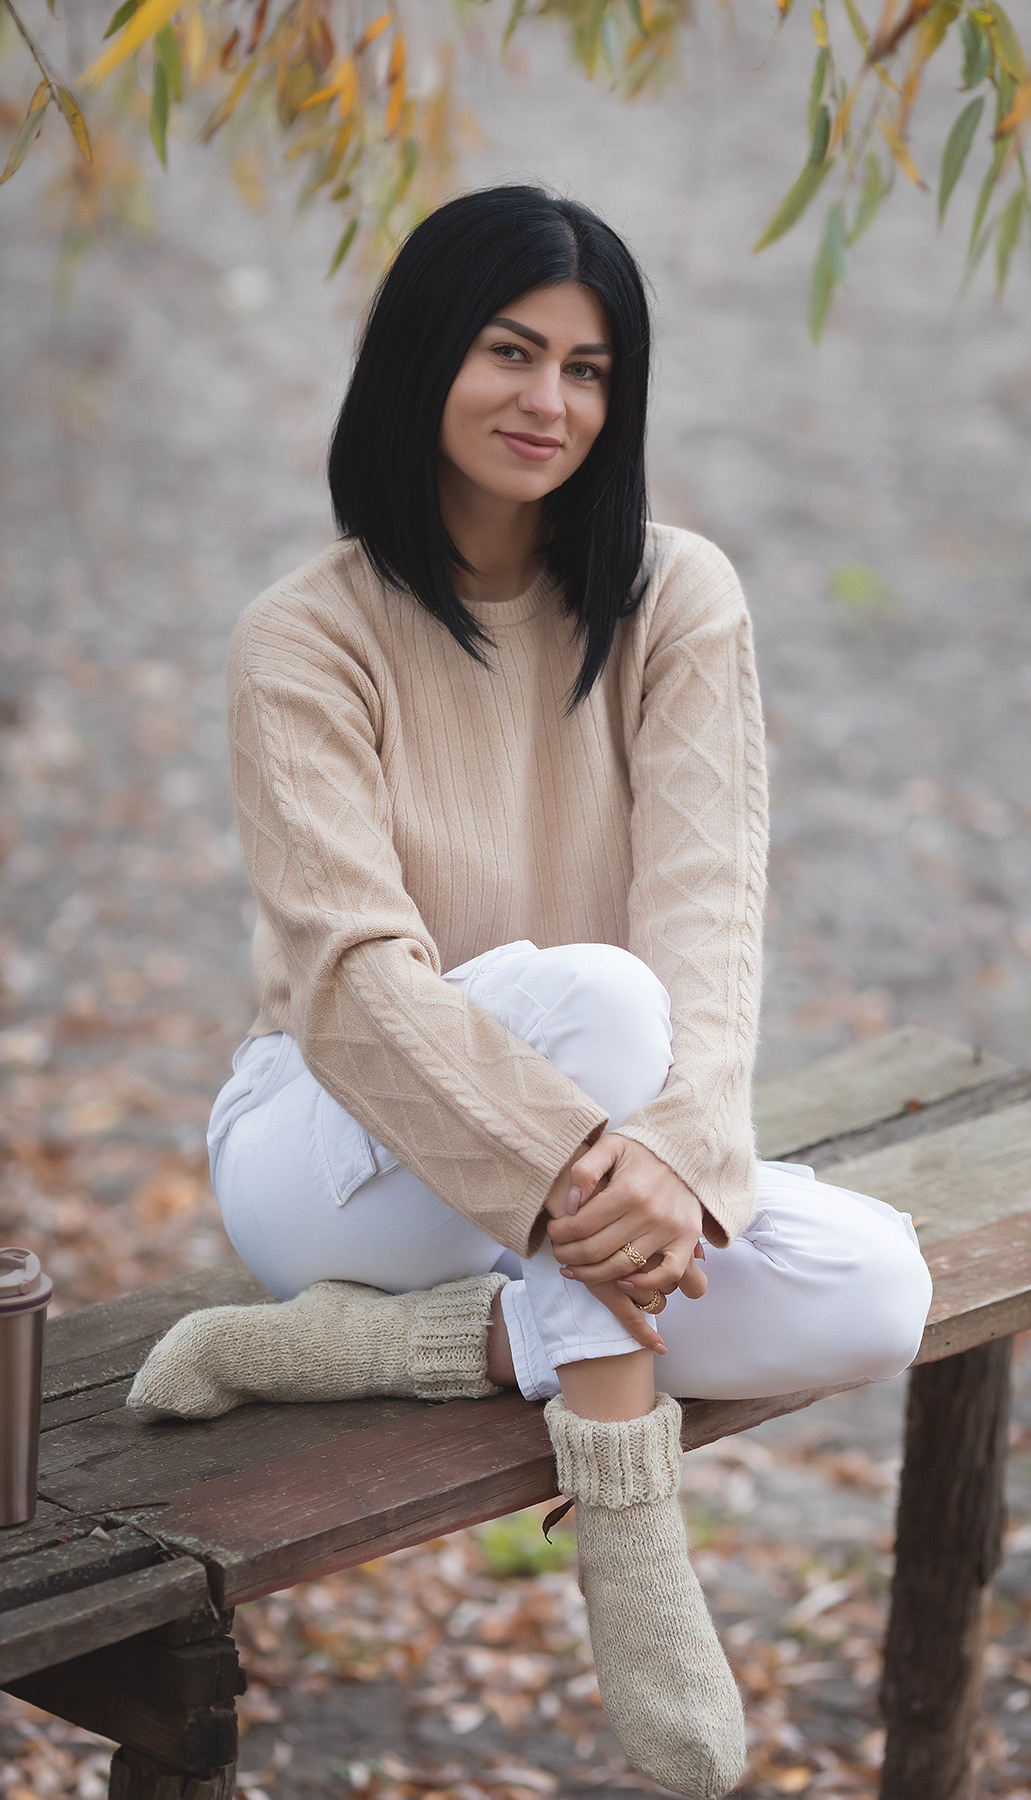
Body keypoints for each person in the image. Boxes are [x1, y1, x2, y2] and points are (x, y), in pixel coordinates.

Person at [127, 185, 933, 1800]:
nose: (549, 401)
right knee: (603, 1002)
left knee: (877, 1288)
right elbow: (353, 988)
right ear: (425, 355)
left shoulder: (676, 598)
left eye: (588, 368)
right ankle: (628, 1518)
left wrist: (678, 1160)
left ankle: (404, 1348)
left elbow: (711, 918)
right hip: (335, 1154)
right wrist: (610, 1164)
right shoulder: (305, 640)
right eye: (510, 351)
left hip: (565, 1172)